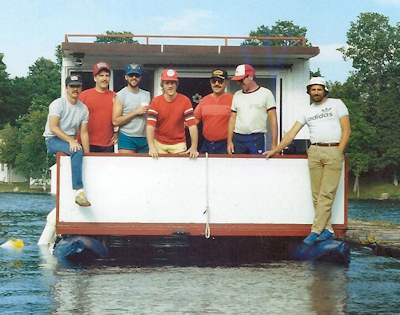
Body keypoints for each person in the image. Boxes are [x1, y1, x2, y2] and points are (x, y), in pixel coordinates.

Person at [264, 77, 351, 245]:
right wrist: (275, 149)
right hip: (314, 151)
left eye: (319, 89)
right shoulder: (307, 111)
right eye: (313, 90)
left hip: (333, 149)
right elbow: (291, 133)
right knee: (317, 195)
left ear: (325, 90)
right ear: (309, 92)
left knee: (327, 193)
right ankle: (328, 230)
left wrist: (339, 151)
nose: (316, 92)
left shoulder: (337, 104)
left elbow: (346, 130)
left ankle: (315, 231)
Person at [43, 74, 91, 207]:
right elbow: (53, 127)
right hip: (53, 139)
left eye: (78, 86)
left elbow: (84, 132)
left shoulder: (83, 109)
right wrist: (71, 141)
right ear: (66, 88)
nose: (75, 89)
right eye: (72, 86)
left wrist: (88, 154)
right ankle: (78, 192)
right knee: (76, 150)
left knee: (79, 151)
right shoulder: (58, 104)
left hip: (69, 141)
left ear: (81, 88)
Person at [146, 68, 198, 159]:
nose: (170, 86)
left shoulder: (185, 101)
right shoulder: (156, 102)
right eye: (167, 83)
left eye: (172, 83)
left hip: (178, 143)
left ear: (176, 84)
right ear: (162, 85)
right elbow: (150, 126)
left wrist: (194, 146)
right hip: (159, 142)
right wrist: (151, 147)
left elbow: (192, 125)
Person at [227, 64, 278, 155]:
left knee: (256, 166)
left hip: (256, 138)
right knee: (237, 166)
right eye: (238, 81)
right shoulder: (237, 95)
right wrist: (229, 141)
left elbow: (273, 119)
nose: (239, 83)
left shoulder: (266, 93)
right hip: (238, 138)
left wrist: (274, 144)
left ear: (250, 76)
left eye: (241, 80)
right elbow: (232, 119)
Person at [78, 61, 117, 152]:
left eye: (107, 75)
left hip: (107, 144)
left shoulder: (115, 97)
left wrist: (118, 133)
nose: (104, 78)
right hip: (85, 143)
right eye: (101, 75)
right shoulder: (84, 96)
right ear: (95, 78)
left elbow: (120, 118)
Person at [112, 63, 150, 153]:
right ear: (126, 77)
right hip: (127, 137)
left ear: (140, 77)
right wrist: (135, 112)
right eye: (131, 75)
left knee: (145, 167)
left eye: (136, 75)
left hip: (145, 137)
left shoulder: (147, 95)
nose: (134, 78)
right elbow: (115, 121)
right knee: (126, 166)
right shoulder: (120, 95)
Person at [194, 69, 233, 154]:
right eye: (214, 81)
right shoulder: (204, 100)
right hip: (206, 145)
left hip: (225, 145)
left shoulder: (233, 100)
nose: (216, 84)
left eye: (220, 81)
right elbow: (193, 122)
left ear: (226, 83)